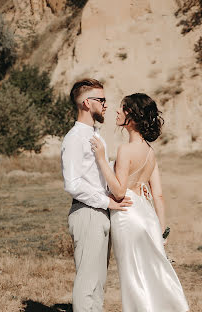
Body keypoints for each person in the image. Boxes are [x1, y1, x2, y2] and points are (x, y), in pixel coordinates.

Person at [90, 93, 189, 312]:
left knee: (133, 275)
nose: (117, 110)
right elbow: (159, 195)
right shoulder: (150, 153)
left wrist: (101, 159)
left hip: (128, 215)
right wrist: (162, 232)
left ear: (132, 116)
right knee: (154, 271)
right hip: (148, 217)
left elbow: (118, 191)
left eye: (122, 108)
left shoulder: (125, 150)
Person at [61, 78, 132, 312]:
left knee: (98, 284)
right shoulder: (74, 138)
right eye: (101, 100)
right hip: (87, 212)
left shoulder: (96, 136)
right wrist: (106, 202)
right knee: (87, 284)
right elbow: (72, 184)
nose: (106, 105)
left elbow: (99, 175)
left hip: (100, 212)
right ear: (85, 103)